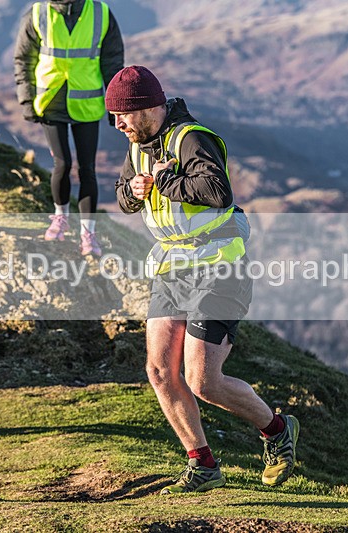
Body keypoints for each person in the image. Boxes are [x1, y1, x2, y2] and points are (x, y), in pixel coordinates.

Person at [106, 66, 300, 493]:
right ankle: (203, 464)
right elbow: (122, 197)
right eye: (112, 118)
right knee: (159, 370)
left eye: (122, 115)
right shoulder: (138, 145)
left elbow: (218, 192)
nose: (117, 125)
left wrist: (164, 181)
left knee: (203, 381)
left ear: (147, 108)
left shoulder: (191, 139)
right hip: (171, 268)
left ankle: (276, 429)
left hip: (218, 267)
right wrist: (134, 192)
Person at [14, 0, 124, 256]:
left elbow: (112, 61)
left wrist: (116, 103)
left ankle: (88, 234)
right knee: (62, 164)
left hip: (87, 103)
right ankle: (60, 217)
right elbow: (24, 58)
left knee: (88, 168)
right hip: (50, 101)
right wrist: (27, 99)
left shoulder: (100, 13)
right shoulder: (38, 13)